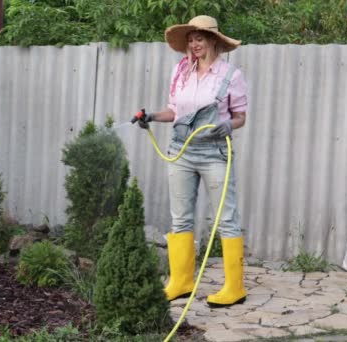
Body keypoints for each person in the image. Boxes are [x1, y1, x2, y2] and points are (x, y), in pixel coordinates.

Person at [138, 15, 248, 307]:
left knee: (226, 219)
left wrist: (230, 125)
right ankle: (182, 281)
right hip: (181, 151)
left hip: (215, 153)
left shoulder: (230, 76)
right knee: (181, 217)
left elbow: (240, 117)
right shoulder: (181, 71)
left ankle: (235, 287)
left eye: (199, 38)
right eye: (190, 39)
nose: (194, 44)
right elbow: (174, 111)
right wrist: (150, 117)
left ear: (213, 41)